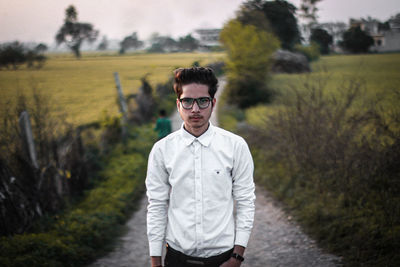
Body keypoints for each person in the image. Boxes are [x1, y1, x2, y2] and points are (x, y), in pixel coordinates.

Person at [146, 67, 255, 267]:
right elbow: (157, 206)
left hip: (223, 259)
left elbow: (246, 201)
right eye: (187, 101)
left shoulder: (235, 146)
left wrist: (237, 257)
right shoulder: (161, 150)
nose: (195, 110)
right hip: (176, 259)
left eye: (202, 101)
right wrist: (155, 261)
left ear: (213, 103)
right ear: (178, 104)